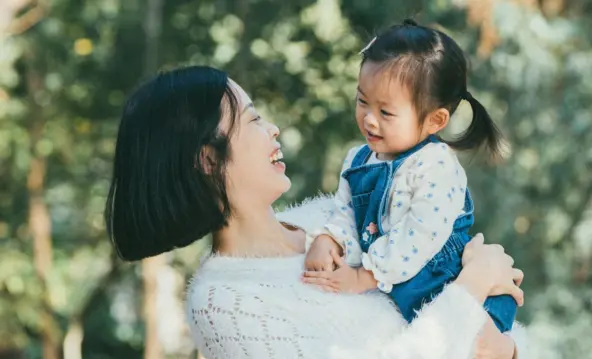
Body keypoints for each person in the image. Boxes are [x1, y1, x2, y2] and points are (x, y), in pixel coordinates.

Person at [105, 65, 527, 359]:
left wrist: (505, 349)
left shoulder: (331, 221)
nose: (272, 129)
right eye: (251, 120)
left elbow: (483, 328)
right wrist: (471, 286)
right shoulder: (223, 303)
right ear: (208, 160)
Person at [304, 19, 517, 331]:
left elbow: (418, 235)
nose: (369, 119)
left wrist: (364, 277)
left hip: (446, 285)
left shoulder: (436, 166)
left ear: (435, 120)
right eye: (362, 101)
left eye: (386, 112)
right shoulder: (358, 159)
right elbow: (347, 214)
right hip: (393, 287)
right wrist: (330, 239)